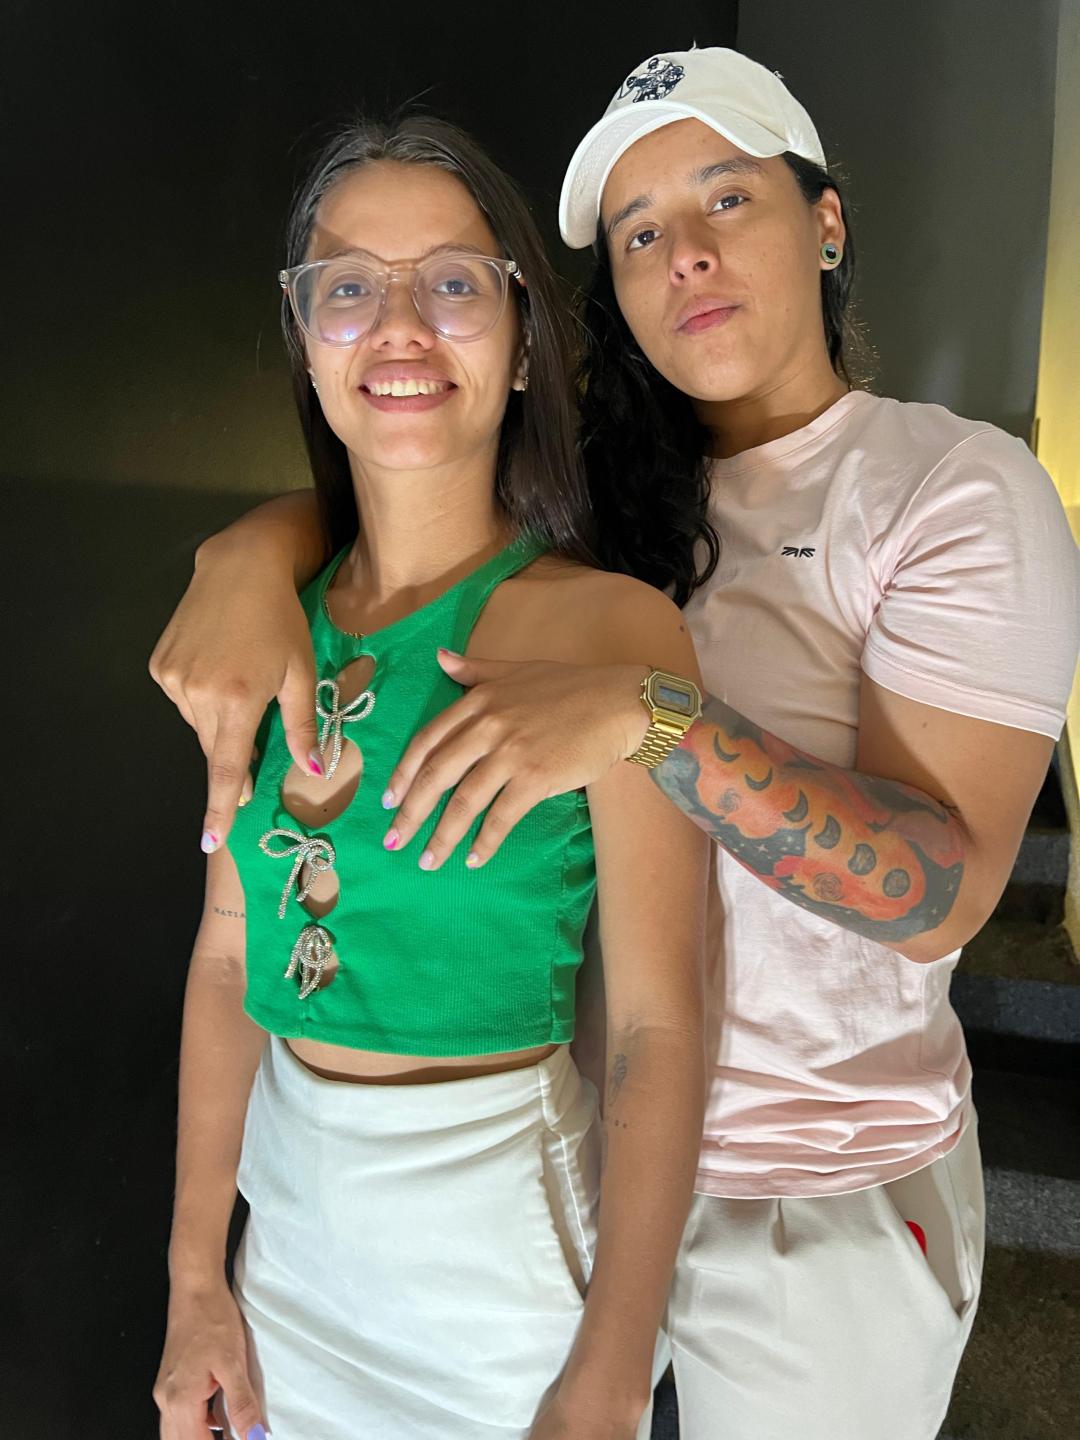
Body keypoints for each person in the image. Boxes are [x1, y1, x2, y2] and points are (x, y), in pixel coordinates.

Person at [150, 51, 1080, 1440]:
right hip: (561, 1160)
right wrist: (242, 554)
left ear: (827, 221)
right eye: (640, 232)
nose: (685, 253)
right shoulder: (617, 498)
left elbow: (938, 895)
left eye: (727, 198)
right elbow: (409, 470)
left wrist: (652, 718)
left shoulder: (949, 486)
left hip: (804, 1187)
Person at [151, 115, 709, 1440]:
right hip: (287, 1251)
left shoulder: (611, 630)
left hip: (505, 1269)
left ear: (522, 344)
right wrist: (194, 1283)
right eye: (347, 287)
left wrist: (614, 1370)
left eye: (454, 282)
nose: (399, 327)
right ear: (307, 341)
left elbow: (656, 1026)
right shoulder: (263, 620)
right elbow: (228, 961)